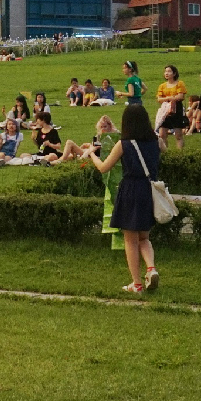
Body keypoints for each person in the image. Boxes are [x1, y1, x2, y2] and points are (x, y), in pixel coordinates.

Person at [85, 104, 161, 295]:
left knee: (130, 240)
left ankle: (136, 284)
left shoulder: (124, 144)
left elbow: (104, 167)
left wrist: (92, 154)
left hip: (130, 189)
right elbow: (163, 150)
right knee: (144, 237)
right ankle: (151, 269)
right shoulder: (156, 141)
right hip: (148, 189)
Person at [156, 66, 189, 149]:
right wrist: (169, 98)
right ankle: (165, 151)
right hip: (165, 109)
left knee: (178, 134)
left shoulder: (179, 83)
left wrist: (170, 98)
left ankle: (179, 152)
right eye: (165, 71)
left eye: (169, 71)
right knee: (162, 133)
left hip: (176, 108)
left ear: (174, 73)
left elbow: (181, 96)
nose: (166, 73)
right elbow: (159, 99)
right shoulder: (162, 86)